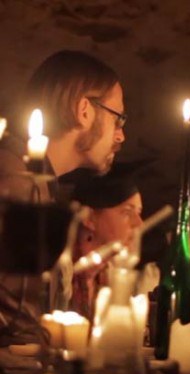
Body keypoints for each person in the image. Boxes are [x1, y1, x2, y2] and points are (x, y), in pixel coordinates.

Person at [0, 49, 126, 203]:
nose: (121, 136)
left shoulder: (27, 178)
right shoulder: (19, 188)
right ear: (84, 112)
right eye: (118, 119)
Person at [62, 162, 144, 320]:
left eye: (139, 212)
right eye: (127, 212)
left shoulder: (110, 277)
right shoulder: (59, 273)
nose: (139, 224)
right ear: (89, 218)